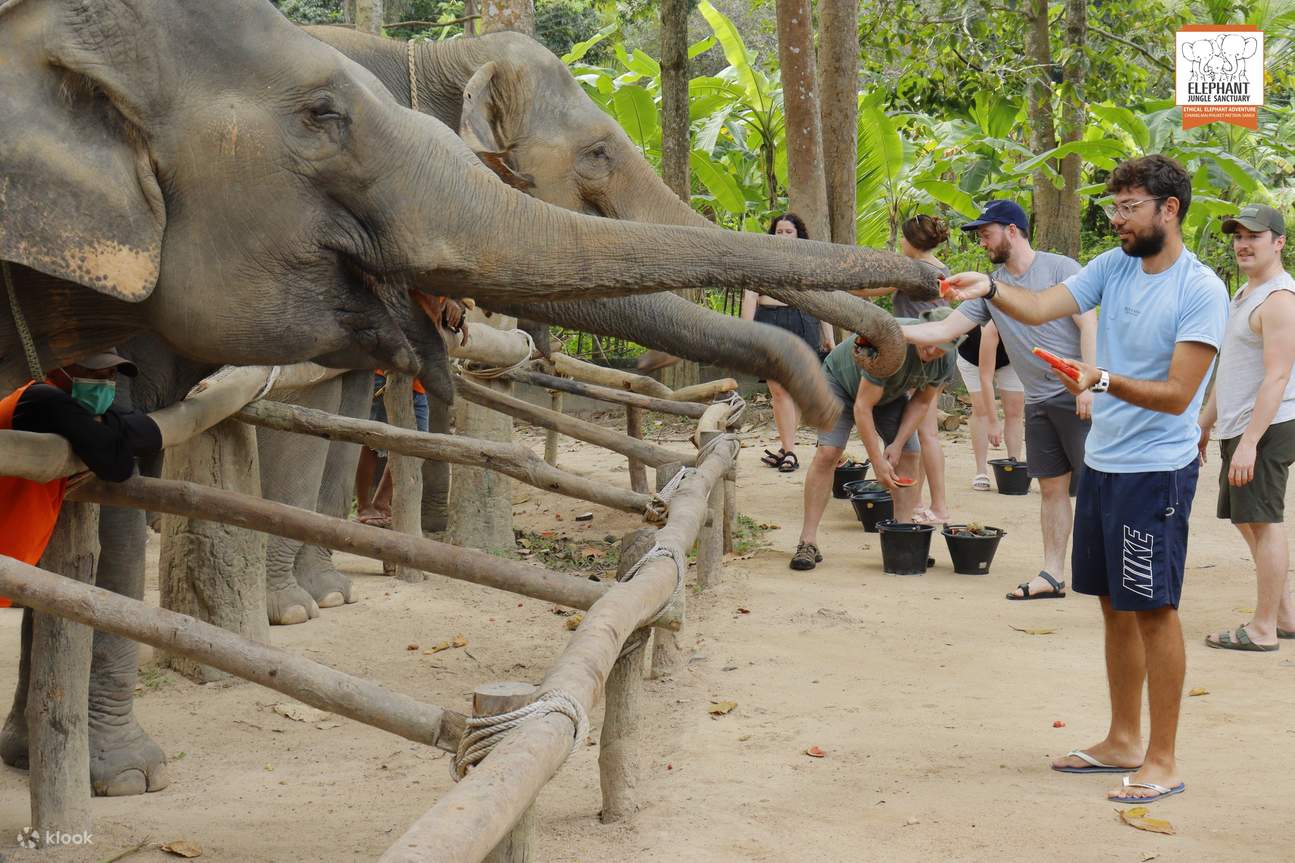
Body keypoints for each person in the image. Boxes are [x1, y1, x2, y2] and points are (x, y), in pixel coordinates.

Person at [944, 155, 1229, 804]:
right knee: (1110, 604)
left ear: (1169, 208)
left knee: (1152, 609)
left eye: (1129, 206)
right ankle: (1122, 737)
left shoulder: (1199, 288)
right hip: (1104, 461)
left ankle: (1161, 756)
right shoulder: (1112, 266)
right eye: (1113, 207)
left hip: (1154, 471)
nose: (1118, 219)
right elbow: (1042, 303)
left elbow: (1180, 393)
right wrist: (987, 290)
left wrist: (1099, 381)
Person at [904, 199, 1093, 601]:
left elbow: (1088, 323)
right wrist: (888, 329)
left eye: (986, 233)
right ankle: (1053, 573)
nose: (982, 242)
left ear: (1012, 230)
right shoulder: (991, 285)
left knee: (1099, 488)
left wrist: (1088, 383)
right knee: (1052, 490)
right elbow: (946, 330)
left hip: (1075, 394)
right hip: (1038, 399)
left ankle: (1109, 570)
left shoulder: (1061, 269)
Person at [789, 307, 964, 571]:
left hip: (888, 395)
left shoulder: (947, 359)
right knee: (828, 453)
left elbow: (921, 402)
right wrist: (877, 462)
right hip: (838, 383)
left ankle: (903, 536)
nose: (933, 351)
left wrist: (895, 444)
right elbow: (862, 407)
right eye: (931, 343)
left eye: (942, 347)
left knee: (909, 452)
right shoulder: (892, 342)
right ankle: (807, 541)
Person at [1197, 204, 1295, 651]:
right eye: (1237, 236)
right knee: (1247, 520)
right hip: (1239, 425)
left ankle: (1262, 630)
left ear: (1278, 242)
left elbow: (1278, 375)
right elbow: (1231, 368)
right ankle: (1286, 614)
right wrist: (1205, 423)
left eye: (1254, 236)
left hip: (1267, 425)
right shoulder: (1244, 295)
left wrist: (1250, 443)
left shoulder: (1279, 300)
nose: (1242, 244)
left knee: (1264, 521)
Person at [0, 351, 163, 580]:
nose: (104, 383)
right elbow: (117, 466)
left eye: (110, 375)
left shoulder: (70, 408)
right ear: (58, 368)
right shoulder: (43, 399)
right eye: (92, 373)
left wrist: (101, 422)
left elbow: (149, 434)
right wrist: (108, 426)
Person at [852, 214, 952, 522]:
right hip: (941, 352)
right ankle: (934, 503)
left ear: (910, 241)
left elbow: (871, 290)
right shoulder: (941, 269)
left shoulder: (912, 270)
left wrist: (842, 287)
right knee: (929, 434)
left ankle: (921, 502)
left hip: (913, 355)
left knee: (917, 433)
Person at [742, 213, 835, 473]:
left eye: (788, 232)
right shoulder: (761, 262)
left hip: (803, 323)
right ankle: (790, 450)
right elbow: (750, 297)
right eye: (779, 231)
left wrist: (829, 338)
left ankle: (787, 447)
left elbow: (820, 302)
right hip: (769, 323)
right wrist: (745, 333)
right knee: (779, 390)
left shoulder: (808, 263)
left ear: (798, 235)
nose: (782, 236)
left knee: (792, 390)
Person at [355, 370, 431, 528]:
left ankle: (381, 502)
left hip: (417, 387)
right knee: (373, 442)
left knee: (417, 447)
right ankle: (363, 506)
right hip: (387, 378)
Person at [957, 319, 1025, 491]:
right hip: (972, 357)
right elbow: (985, 378)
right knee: (980, 409)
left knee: (1015, 410)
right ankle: (981, 471)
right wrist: (993, 423)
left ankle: (1013, 466)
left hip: (1010, 358)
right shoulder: (986, 318)